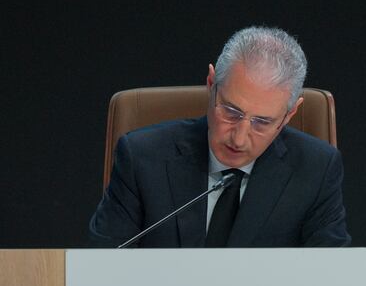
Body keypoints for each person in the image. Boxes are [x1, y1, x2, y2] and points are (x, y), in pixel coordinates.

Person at [89, 26, 351, 247]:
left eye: (262, 122)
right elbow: (99, 269)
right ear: (211, 84)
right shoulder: (141, 158)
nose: (239, 138)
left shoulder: (316, 170)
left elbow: (330, 280)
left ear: (290, 114)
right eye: (231, 112)